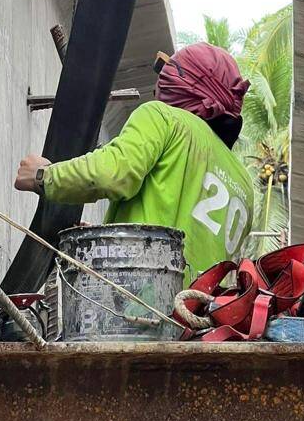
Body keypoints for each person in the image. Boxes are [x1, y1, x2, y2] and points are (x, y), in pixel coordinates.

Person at [14, 42, 255, 282]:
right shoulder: (244, 185)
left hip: (139, 306)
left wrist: (44, 176)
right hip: (199, 314)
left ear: (185, 83)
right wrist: (109, 241)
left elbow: (112, 173)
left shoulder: (165, 118)